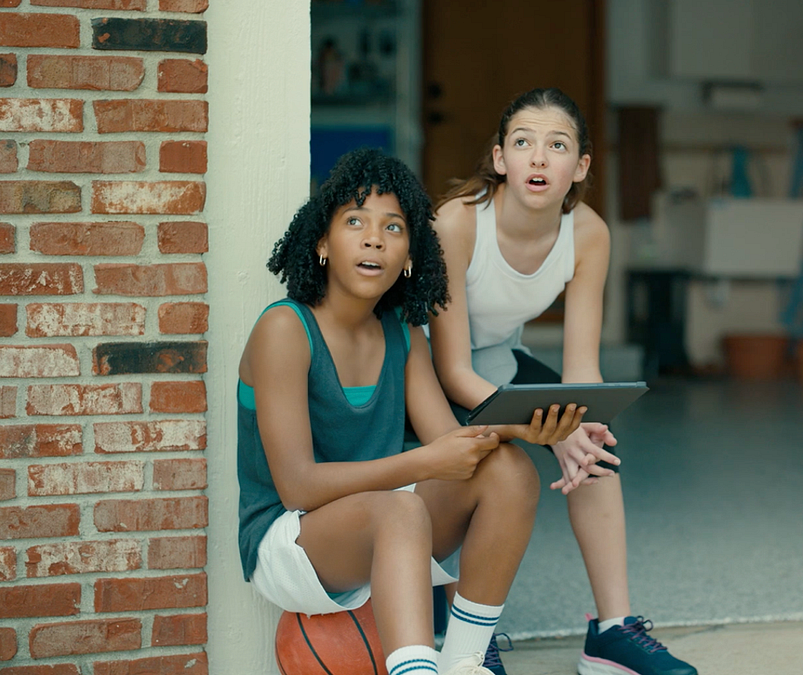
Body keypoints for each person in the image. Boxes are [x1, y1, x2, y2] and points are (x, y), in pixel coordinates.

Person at [237, 148, 585, 675]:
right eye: (355, 222)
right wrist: (425, 463)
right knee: (401, 510)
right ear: (323, 243)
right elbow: (298, 488)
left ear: (408, 257)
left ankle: (464, 661)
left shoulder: (402, 331)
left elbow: (450, 443)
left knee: (507, 470)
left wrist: (526, 427)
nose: (374, 238)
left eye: (394, 227)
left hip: (387, 519)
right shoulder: (284, 328)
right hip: (290, 538)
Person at [427, 89, 698, 675]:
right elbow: (451, 371)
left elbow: (581, 368)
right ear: (500, 158)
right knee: (480, 461)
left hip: (496, 359)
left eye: (557, 145)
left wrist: (578, 423)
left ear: (580, 166)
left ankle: (613, 631)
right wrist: (540, 426)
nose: (538, 157)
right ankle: (463, 634)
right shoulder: (457, 223)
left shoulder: (589, 233)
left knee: (596, 449)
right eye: (523, 142)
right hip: (422, 369)